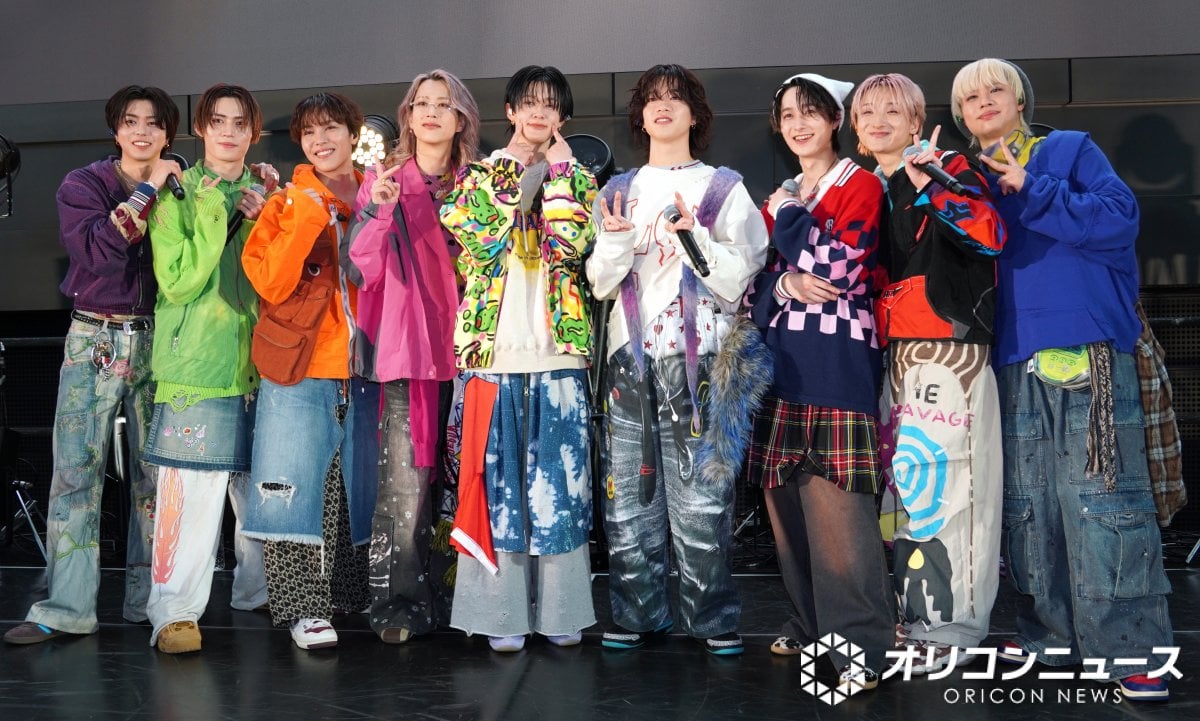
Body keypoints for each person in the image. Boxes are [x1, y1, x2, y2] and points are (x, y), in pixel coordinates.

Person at [952, 58, 1174, 701]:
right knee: (1030, 509)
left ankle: (1131, 651)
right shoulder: (965, 180)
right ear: (960, 116)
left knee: (1104, 500)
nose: (983, 101)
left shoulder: (1069, 150)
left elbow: (1119, 219)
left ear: (1020, 99)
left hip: (1088, 346)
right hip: (1009, 358)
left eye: (996, 89)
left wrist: (1032, 185)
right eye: (969, 97)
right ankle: (1050, 638)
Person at [586, 63, 769, 656]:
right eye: (653, 99)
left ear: (695, 115)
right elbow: (599, 283)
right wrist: (617, 240)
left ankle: (711, 619)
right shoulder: (617, 191)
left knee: (703, 504)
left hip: (702, 364)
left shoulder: (723, 187)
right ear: (640, 117)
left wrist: (694, 236)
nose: (663, 107)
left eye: (675, 98)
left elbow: (740, 277)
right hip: (628, 361)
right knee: (626, 503)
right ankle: (639, 615)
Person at [4, 86, 180, 645]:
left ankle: (151, 603)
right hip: (94, 336)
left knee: (158, 479)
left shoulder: (185, 186)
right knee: (76, 472)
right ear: (115, 129)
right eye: (131, 121)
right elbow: (100, 251)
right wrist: (149, 188)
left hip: (160, 338)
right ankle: (67, 608)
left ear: (168, 133)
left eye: (153, 123)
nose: (142, 132)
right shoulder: (84, 184)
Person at [849, 73, 1006, 674]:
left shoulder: (948, 166)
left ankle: (953, 627)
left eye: (894, 111)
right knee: (909, 491)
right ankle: (917, 616)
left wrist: (933, 183)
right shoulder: (871, 186)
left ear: (918, 122)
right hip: (899, 354)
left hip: (949, 348)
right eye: (867, 111)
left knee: (953, 489)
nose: (879, 121)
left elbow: (990, 236)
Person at [439, 65, 596, 653]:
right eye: (529, 102)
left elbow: (574, 242)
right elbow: (479, 241)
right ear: (510, 111)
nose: (538, 113)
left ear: (563, 117)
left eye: (550, 105)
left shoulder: (578, 178)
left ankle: (561, 610)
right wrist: (519, 181)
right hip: (493, 353)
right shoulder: (477, 176)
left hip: (559, 353)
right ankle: (499, 612)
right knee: (495, 488)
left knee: (562, 487)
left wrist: (559, 176)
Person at [743, 73, 892, 688]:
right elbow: (750, 289)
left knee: (840, 517)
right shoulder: (778, 198)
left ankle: (862, 648)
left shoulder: (860, 185)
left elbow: (839, 268)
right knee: (788, 519)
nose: (798, 124)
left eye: (811, 112)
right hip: (778, 368)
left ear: (835, 120)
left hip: (838, 365)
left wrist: (790, 217)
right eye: (787, 115)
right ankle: (812, 630)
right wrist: (784, 283)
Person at [241, 92, 379, 651]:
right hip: (300, 362)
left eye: (331, 129)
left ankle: (354, 594)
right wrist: (304, 212)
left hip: (371, 363)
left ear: (354, 134)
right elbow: (270, 283)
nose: (320, 141)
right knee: (294, 483)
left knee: (361, 485)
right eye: (308, 133)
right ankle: (303, 608)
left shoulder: (380, 191)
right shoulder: (287, 202)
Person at [346, 69, 479, 643]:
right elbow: (361, 269)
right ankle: (398, 605)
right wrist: (379, 211)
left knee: (469, 483)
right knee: (405, 487)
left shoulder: (481, 182)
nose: (430, 112)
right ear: (407, 116)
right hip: (411, 355)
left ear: (461, 118)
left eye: (443, 104)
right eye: (420, 103)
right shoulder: (383, 181)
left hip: (476, 354)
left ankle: (468, 603)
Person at [142, 83, 276, 654]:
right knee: (191, 494)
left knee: (262, 493)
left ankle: (258, 590)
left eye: (239, 123)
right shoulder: (176, 193)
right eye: (217, 121)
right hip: (197, 365)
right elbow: (178, 281)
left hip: (263, 364)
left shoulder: (265, 193)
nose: (228, 132)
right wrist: (218, 210)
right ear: (201, 128)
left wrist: (267, 217)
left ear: (253, 133)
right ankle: (172, 611)